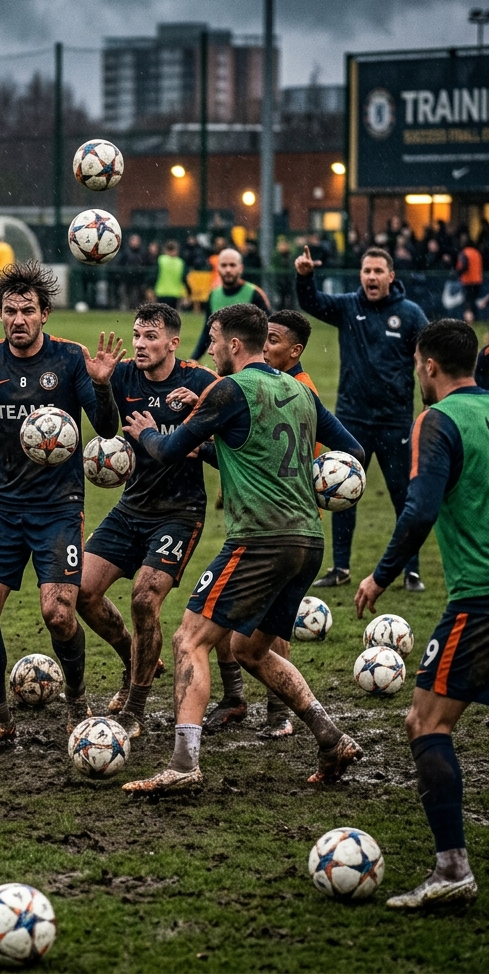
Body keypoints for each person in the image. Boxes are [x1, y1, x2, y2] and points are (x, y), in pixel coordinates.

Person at [121, 304, 365, 795]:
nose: (209, 349)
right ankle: (331, 736)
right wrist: (315, 482)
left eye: (213, 340)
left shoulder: (229, 389)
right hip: (307, 540)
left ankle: (184, 763)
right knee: (250, 648)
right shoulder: (297, 388)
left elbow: (168, 451)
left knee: (189, 640)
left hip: (259, 538)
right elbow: (353, 451)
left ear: (234, 344)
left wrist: (145, 430)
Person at [354, 319, 489, 909]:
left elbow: (419, 507)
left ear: (427, 366)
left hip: (487, 594)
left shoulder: (437, 419)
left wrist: (380, 574)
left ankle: (452, 870)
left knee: (426, 723)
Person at [0, 260, 123, 755]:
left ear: (45, 313)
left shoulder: (71, 360)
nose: (18, 319)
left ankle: (76, 700)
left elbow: (109, 429)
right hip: (3, 506)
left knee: (58, 613)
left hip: (58, 506)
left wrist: (100, 384)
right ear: (0, 315)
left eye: (27, 311)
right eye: (9, 311)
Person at [76, 302, 217, 737]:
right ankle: (134, 658)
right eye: (137, 335)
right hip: (131, 507)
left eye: (150, 337)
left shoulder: (201, 382)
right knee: (80, 591)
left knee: (143, 598)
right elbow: (102, 426)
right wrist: (101, 386)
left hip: (179, 513)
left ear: (173, 343)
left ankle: (134, 709)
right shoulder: (122, 376)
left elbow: (230, 447)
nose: (139, 344)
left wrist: (197, 445)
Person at [204, 309, 320, 738]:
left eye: (274, 340)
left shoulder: (297, 388)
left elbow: (293, 456)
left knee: (207, 631)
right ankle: (242, 700)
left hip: (271, 526)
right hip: (292, 528)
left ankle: (277, 710)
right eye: (264, 339)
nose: (267, 347)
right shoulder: (269, 384)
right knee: (232, 625)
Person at [296, 245, 429, 591]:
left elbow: (429, 356)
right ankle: (340, 568)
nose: (371, 277)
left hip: (395, 421)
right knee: (341, 491)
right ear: (361, 276)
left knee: (405, 498)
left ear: (390, 277)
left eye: (377, 271)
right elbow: (311, 304)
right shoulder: (348, 306)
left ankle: (411, 570)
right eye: (366, 271)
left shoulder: (411, 314)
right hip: (352, 419)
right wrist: (305, 277)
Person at [190, 247, 270, 360]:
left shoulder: (255, 294)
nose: (228, 269)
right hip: (222, 365)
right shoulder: (213, 295)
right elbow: (208, 331)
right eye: (224, 265)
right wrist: (194, 358)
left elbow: (269, 330)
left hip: (248, 364)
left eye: (232, 265)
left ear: (241, 268)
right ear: (217, 268)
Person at [456, 233, 483, 325]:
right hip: (477, 280)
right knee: (473, 300)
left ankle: (468, 319)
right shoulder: (477, 253)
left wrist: (458, 273)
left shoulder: (465, 252)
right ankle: (475, 318)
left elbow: (464, 266)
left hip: (468, 280)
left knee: (467, 301)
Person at [153, 240, 186, 311]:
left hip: (161, 292)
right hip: (175, 294)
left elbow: (154, 275)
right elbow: (184, 278)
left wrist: (150, 288)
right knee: (173, 316)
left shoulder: (160, 260)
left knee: (161, 315)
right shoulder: (180, 262)